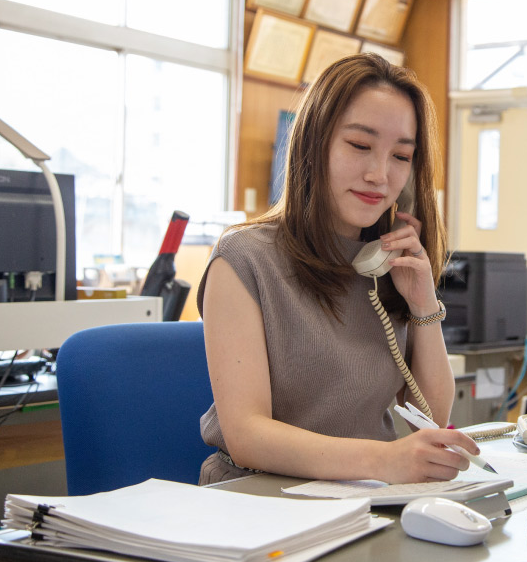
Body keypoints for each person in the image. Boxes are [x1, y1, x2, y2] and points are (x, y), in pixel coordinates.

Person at [197, 53, 480, 485]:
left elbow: (431, 417)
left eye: (401, 156)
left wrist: (424, 301)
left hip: (365, 496)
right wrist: (383, 461)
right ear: (315, 143)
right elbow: (246, 435)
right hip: (258, 498)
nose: (379, 175)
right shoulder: (244, 258)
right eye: (360, 146)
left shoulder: (383, 266)